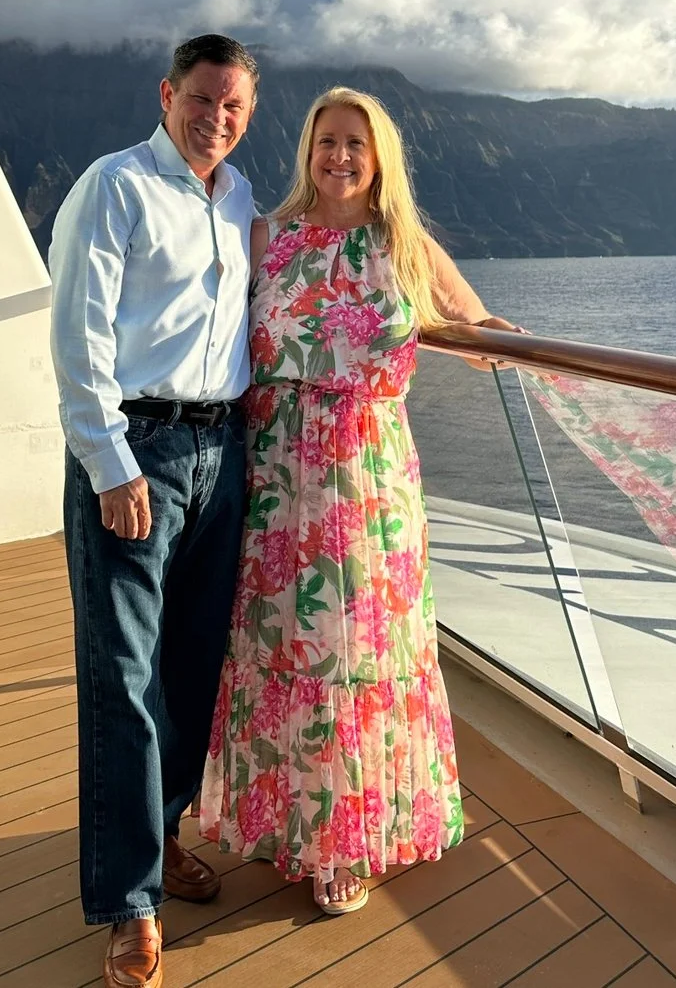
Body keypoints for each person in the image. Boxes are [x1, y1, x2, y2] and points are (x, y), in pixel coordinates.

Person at [199, 86, 524, 913]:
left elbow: (472, 320)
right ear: (307, 150)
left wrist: (505, 342)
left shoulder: (401, 243)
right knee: (283, 651)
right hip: (274, 479)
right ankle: (286, 820)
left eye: (356, 143)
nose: (339, 156)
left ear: (379, 158)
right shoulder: (267, 235)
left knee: (356, 652)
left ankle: (346, 840)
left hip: (367, 483)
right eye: (326, 141)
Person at [49, 34, 258, 988]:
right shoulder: (116, 185)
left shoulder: (244, 194)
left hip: (225, 449)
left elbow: (366, 224)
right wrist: (108, 460)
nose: (219, 116)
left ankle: (163, 836)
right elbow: (79, 330)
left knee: (191, 668)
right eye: (205, 98)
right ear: (168, 92)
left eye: (237, 105)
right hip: (138, 452)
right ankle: (131, 904)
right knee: (122, 675)